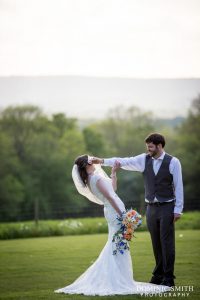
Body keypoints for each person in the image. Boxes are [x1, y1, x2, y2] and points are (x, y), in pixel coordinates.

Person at [54, 154, 171, 296]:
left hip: (113, 210)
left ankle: (120, 277)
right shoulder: (95, 178)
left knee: (117, 243)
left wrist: (113, 173)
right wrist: (123, 215)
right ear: (87, 165)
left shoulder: (91, 179)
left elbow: (112, 189)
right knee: (117, 244)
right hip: (115, 212)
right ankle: (116, 279)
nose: (95, 163)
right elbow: (110, 197)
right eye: (92, 161)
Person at [92, 133, 184, 287]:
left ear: (160, 146)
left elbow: (178, 185)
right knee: (156, 243)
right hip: (151, 208)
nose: (148, 149)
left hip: (167, 206)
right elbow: (123, 161)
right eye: (147, 146)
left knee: (167, 243)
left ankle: (169, 278)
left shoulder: (174, 162)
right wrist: (101, 161)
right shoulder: (144, 159)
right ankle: (158, 274)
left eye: (151, 147)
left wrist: (178, 209)